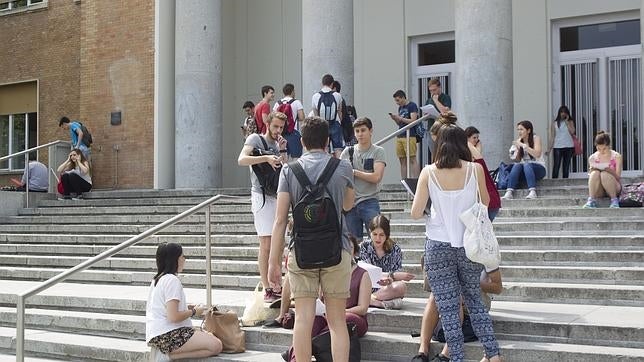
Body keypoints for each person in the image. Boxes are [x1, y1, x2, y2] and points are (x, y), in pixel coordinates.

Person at [411, 123, 501, 362]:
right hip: (469, 245)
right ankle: (493, 355)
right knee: (475, 302)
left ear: (438, 144)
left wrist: (435, 208)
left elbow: (416, 212)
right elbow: (485, 201)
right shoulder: (474, 170)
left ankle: (457, 358)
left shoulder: (428, 172)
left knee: (449, 309)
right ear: (464, 145)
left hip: (438, 245)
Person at [268, 116, 355, 362]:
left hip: (302, 251)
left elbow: (280, 220)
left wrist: (274, 262)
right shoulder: (343, 167)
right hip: (337, 249)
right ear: (328, 141)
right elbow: (348, 205)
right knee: (337, 321)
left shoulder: (289, 170)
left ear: (303, 142)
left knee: (303, 320)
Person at [282, 236, 372, 361]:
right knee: (313, 321)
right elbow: (318, 299)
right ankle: (295, 358)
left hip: (352, 316)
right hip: (327, 314)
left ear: (355, 251)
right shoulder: (325, 270)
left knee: (342, 319)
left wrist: (342, 312)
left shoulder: (363, 274)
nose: (348, 250)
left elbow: (362, 308)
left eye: (350, 248)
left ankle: (307, 347)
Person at [237, 111, 288, 302]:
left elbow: (283, 170)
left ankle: (276, 284)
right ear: (268, 123)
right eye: (275, 126)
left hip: (277, 195)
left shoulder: (278, 143)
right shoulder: (255, 139)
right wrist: (265, 158)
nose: (278, 131)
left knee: (278, 243)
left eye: (281, 127)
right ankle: (267, 287)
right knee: (266, 243)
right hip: (261, 196)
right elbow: (242, 159)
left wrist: (282, 151)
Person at [146, 242, 222, 361]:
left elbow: (165, 308)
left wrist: (186, 307)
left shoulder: (158, 279)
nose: (184, 259)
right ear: (174, 259)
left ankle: (167, 354)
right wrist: (194, 311)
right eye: (182, 256)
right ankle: (168, 355)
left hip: (159, 335)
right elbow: (173, 316)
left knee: (209, 337)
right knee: (216, 346)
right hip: (169, 335)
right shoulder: (172, 280)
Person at [412, 270, 503, 362]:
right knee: (437, 292)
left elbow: (497, 288)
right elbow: (430, 284)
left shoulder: (486, 258)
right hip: (449, 312)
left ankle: (446, 354)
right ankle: (423, 352)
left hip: (473, 310)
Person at [340, 117, 387, 239]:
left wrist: (354, 172)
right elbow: (340, 176)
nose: (360, 134)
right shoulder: (347, 152)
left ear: (370, 131)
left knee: (378, 239)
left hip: (370, 201)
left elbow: (377, 177)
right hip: (350, 203)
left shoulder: (378, 151)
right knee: (353, 244)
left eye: (363, 130)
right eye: (357, 131)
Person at [359, 215, 415, 310]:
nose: (378, 238)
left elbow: (397, 272)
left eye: (381, 235)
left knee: (401, 287)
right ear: (370, 232)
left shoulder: (395, 249)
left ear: (387, 235)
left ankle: (369, 300)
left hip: (385, 289)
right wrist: (393, 275)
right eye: (375, 234)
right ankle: (378, 303)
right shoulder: (363, 247)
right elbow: (366, 272)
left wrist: (390, 279)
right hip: (366, 286)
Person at [501, 120, 546, 200]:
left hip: (539, 169)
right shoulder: (519, 142)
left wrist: (523, 145)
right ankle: (509, 192)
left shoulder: (536, 138)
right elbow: (518, 160)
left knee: (526, 164)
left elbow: (537, 154)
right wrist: (516, 151)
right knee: (517, 165)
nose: (519, 132)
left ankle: (532, 191)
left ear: (528, 130)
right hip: (525, 171)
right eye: (518, 129)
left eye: (521, 129)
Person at [465, 126, 501, 221]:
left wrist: (470, 144)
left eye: (477, 138)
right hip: (484, 202)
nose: (476, 140)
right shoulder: (471, 160)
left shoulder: (478, 162)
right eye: (474, 138)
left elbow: (478, 158)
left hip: (488, 201)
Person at [583, 131, 623, 209]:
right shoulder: (592, 157)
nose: (601, 151)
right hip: (599, 189)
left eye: (604, 149)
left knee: (604, 174)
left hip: (613, 186)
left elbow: (618, 177)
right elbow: (592, 176)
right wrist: (592, 170)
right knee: (595, 173)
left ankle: (614, 200)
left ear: (609, 146)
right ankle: (591, 200)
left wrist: (609, 170)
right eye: (598, 148)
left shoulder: (616, 156)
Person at [312, 74, 344, 158]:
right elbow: (340, 112)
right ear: (332, 84)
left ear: (322, 83)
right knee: (338, 149)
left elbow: (315, 115)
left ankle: (326, 167)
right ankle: (338, 167)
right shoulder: (338, 95)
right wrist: (341, 123)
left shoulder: (315, 96)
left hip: (322, 126)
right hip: (335, 124)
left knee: (324, 148)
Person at [390, 90, 420, 178]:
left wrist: (400, 118)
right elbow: (400, 124)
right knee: (402, 160)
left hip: (410, 135)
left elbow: (413, 120)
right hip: (400, 135)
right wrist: (395, 119)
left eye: (398, 100)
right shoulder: (400, 108)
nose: (397, 103)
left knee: (412, 159)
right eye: (396, 101)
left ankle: (416, 181)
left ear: (403, 97)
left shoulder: (412, 106)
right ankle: (404, 182)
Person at [273, 83, 305, 159]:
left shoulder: (277, 103)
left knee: (282, 157)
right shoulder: (296, 102)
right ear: (292, 91)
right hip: (293, 133)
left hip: (280, 134)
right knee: (296, 159)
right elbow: (302, 117)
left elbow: (273, 118)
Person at [546, 105, 576, 179]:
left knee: (566, 167)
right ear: (559, 113)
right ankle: (553, 182)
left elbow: (572, 132)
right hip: (557, 147)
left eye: (565, 112)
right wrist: (549, 149)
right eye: (561, 112)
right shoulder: (554, 123)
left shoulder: (570, 122)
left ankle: (565, 183)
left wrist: (567, 122)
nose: (563, 114)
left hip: (569, 146)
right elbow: (552, 137)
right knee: (556, 165)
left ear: (567, 113)